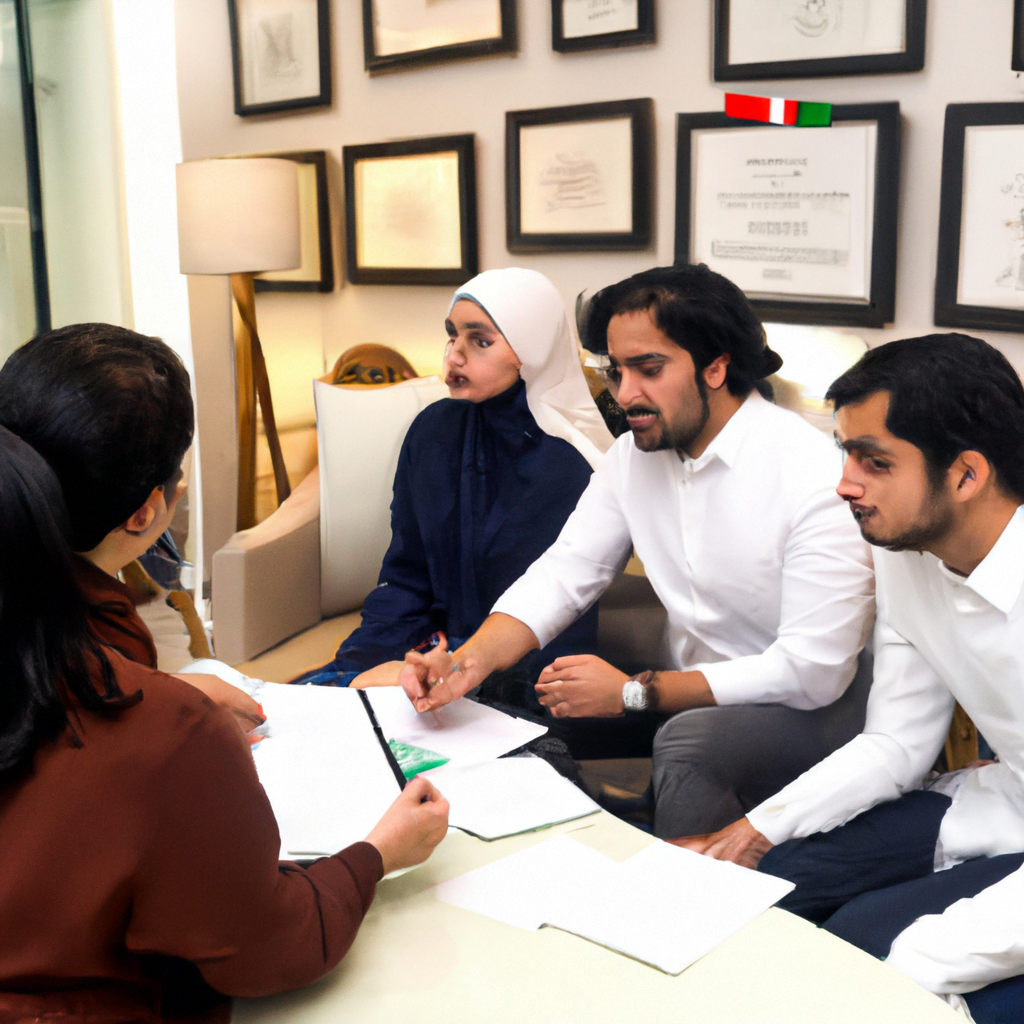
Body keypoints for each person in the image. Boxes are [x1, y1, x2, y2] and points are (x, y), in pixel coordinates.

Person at [0, 374, 448, 1024]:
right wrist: (377, 854)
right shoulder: (160, 726)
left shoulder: (83, 669)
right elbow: (265, 945)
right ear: (148, 510)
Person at [401, 264, 875, 836]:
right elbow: (564, 573)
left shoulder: (810, 474)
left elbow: (812, 673)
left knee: (687, 742)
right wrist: (463, 664)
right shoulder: (632, 459)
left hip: (817, 709)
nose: (624, 394)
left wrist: (632, 693)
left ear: (717, 366)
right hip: (687, 692)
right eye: (614, 370)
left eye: (648, 369)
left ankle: (675, 899)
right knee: (507, 713)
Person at [676, 334, 1024, 1022]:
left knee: (867, 956)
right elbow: (897, 742)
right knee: (762, 889)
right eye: (846, 453)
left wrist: (910, 966)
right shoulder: (907, 547)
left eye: (875, 461)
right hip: (1005, 801)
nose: (845, 484)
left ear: (966, 474)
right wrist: (753, 830)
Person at [295, 267, 614, 705]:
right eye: (452, 335)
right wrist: (361, 665)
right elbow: (406, 578)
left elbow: (555, 625)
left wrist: (450, 669)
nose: (455, 355)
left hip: (526, 677)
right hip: (432, 654)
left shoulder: (569, 462)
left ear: (531, 351)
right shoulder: (432, 431)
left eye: (480, 341)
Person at [0, 324, 258, 724]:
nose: (183, 483)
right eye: (178, 470)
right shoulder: (108, 647)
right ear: (144, 514)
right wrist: (171, 708)